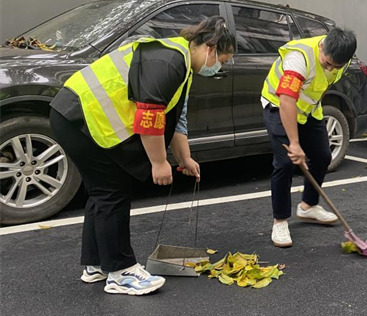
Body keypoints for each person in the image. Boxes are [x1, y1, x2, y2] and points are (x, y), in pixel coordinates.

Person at [50, 17, 234, 295]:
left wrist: (184, 158)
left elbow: (175, 118)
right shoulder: (170, 61)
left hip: (73, 114)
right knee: (113, 191)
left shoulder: (180, 61)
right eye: (223, 60)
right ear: (210, 48)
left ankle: (97, 264)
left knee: (102, 192)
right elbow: (150, 115)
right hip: (80, 117)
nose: (220, 67)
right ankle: (121, 272)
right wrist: (159, 163)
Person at [261, 27, 358, 247]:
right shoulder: (299, 58)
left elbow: (322, 86)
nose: (331, 68)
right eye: (327, 63)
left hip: (308, 110)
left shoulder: (342, 61)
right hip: (278, 106)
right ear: (322, 47)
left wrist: (312, 109)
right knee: (285, 162)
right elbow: (287, 100)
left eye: (336, 66)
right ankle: (280, 221)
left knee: (323, 156)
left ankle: (308, 206)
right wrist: (295, 143)